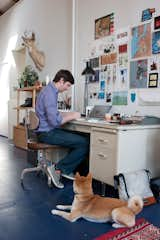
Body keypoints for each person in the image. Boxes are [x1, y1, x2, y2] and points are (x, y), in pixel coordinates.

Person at [35, 69, 89, 189]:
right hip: (47, 133)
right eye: (68, 85)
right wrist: (73, 116)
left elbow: (53, 114)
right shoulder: (50, 94)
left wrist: (67, 115)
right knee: (84, 142)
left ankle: (65, 169)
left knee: (78, 138)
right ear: (61, 80)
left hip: (45, 130)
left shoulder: (49, 91)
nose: (67, 88)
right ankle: (59, 169)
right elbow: (54, 122)